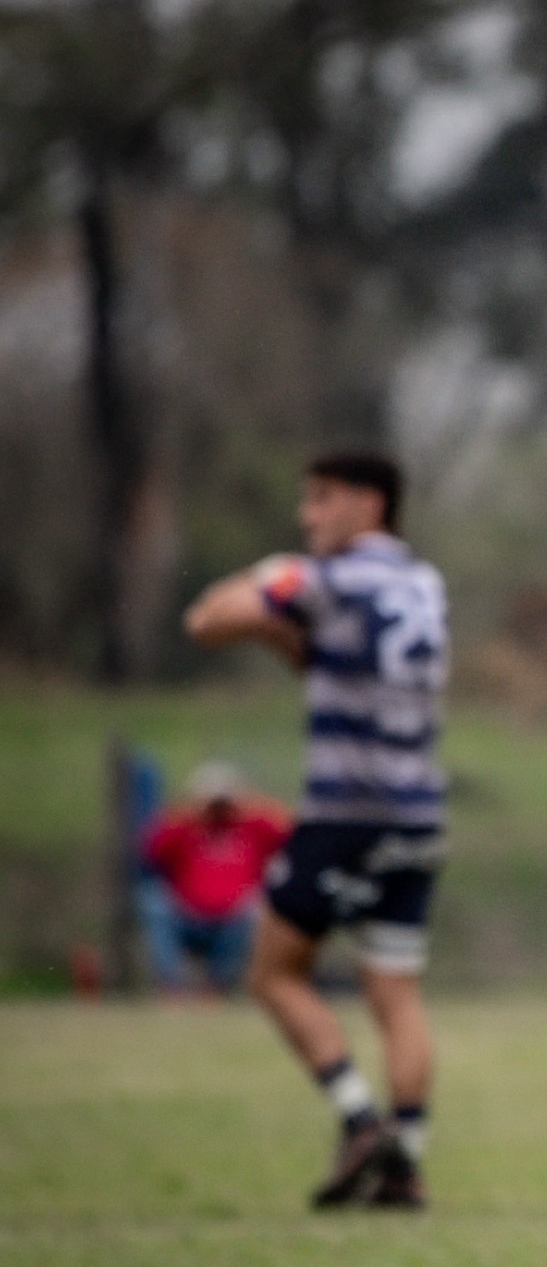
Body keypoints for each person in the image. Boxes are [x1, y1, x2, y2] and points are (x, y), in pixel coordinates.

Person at [183, 451, 449, 1210]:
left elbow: (207, 620)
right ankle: (409, 1161)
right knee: (395, 989)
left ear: (371, 503)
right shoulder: (423, 583)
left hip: (347, 813)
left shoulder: (329, 578)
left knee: (272, 971)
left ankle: (361, 1120)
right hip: (419, 812)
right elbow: (338, 664)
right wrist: (285, 637)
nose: (309, 516)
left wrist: (272, 574)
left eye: (323, 499)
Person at [138, 763, 292, 996]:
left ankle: (216, 987)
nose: (219, 809)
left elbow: (292, 835)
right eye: (213, 802)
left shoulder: (254, 826)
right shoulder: (183, 827)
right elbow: (151, 851)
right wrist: (189, 815)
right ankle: (172, 988)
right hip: (186, 916)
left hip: (234, 918)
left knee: (255, 909)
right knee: (153, 902)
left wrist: (250, 806)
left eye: (224, 802)